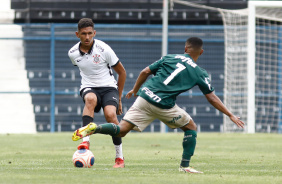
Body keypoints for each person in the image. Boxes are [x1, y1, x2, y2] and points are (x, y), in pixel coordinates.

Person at [72, 37, 245, 173]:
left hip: (144, 96)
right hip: (163, 105)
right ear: (201, 52)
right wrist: (229, 114)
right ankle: (185, 166)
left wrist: (135, 89)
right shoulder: (200, 72)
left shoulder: (169, 57)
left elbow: (145, 72)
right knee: (191, 127)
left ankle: (95, 128)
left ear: (185, 49)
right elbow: (212, 98)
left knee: (122, 129)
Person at [68, 18, 127, 168]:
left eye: (90, 33)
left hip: (108, 87)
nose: (87, 37)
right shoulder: (73, 53)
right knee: (90, 99)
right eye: (83, 34)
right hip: (89, 87)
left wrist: (119, 99)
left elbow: (122, 72)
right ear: (77, 34)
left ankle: (119, 157)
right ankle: (85, 143)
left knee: (110, 115)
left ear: (94, 33)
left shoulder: (104, 49)